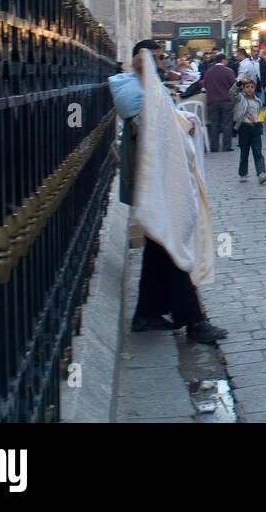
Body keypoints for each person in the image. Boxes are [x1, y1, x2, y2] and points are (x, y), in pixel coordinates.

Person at [110, 40, 226, 344]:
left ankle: (146, 314)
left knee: (160, 245)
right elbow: (150, 130)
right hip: (154, 182)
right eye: (157, 57)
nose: (164, 62)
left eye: (163, 56)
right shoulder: (134, 92)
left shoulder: (150, 87)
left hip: (158, 181)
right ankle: (194, 321)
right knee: (171, 244)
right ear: (141, 59)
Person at [181, 54, 237, 152]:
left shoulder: (208, 72)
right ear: (223, 60)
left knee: (214, 124)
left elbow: (205, 85)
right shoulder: (228, 72)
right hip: (226, 100)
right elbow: (234, 86)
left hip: (212, 101)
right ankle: (226, 146)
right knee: (227, 124)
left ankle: (214, 146)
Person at [230, 75, 266, 184]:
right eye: (247, 86)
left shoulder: (258, 101)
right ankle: (243, 173)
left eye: (252, 87)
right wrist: (239, 82)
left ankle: (261, 173)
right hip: (244, 127)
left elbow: (262, 114)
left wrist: (265, 118)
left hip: (256, 127)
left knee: (258, 151)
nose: (249, 89)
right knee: (244, 151)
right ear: (243, 89)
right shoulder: (240, 98)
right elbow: (232, 92)